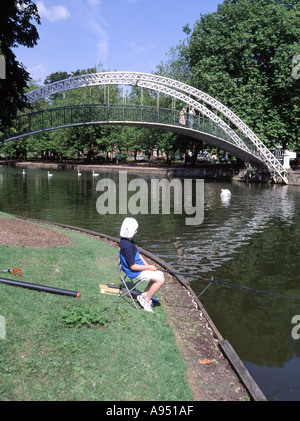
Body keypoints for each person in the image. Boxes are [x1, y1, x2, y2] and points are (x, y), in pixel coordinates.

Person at [119, 217, 165, 312]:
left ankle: (144, 295)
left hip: (138, 267)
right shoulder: (128, 247)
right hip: (134, 272)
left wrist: (148, 266)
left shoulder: (127, 240)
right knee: (160, 280)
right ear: (134, 231)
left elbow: (137, 254)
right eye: (136, 229)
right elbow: (133, 267)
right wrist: (148, 267)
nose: (137, 231)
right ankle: (146, 300)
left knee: (160, 273)